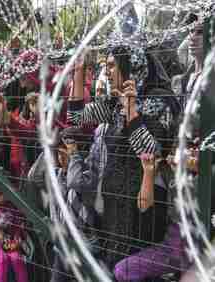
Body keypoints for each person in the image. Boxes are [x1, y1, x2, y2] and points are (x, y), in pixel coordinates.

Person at [69, 46, 180, 266]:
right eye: (105, 66)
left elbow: (151, 153)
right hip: (114, 204)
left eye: (112, 66)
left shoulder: (160, 101)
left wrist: (131, 111)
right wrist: (79, 72)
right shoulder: (114, 104)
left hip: (144, 206)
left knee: (131, 269)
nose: (107, 71)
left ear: (132, 67)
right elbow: (75, 117)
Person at [113, 141, 198, 281]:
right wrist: (148, 172)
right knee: (124, 270)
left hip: (201, 245)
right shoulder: (169, 172)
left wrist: (199, 169)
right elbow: (143, 205)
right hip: (174, 243)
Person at [50, 127, 103, 282]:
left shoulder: (88, 171)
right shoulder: (60, 174)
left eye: (63, 154)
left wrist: (73, 155)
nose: (61, 158)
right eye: (59, 154)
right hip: (65, 241)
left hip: (85, 242)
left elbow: (75, 182)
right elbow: (34, 176)